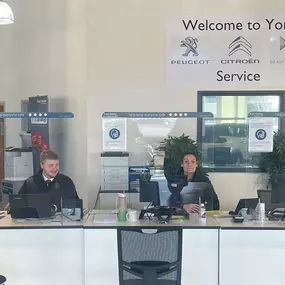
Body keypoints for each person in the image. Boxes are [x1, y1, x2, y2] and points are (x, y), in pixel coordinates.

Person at [5, 150, 79, 212]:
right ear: (42, 165)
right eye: (51, 165)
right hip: (35, 226)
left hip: (61, 226)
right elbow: (18, 204)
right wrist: (13, 205)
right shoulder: (30, 183)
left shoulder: (66, 182)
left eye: (57, 165)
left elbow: (76, 207)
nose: (55, 168)